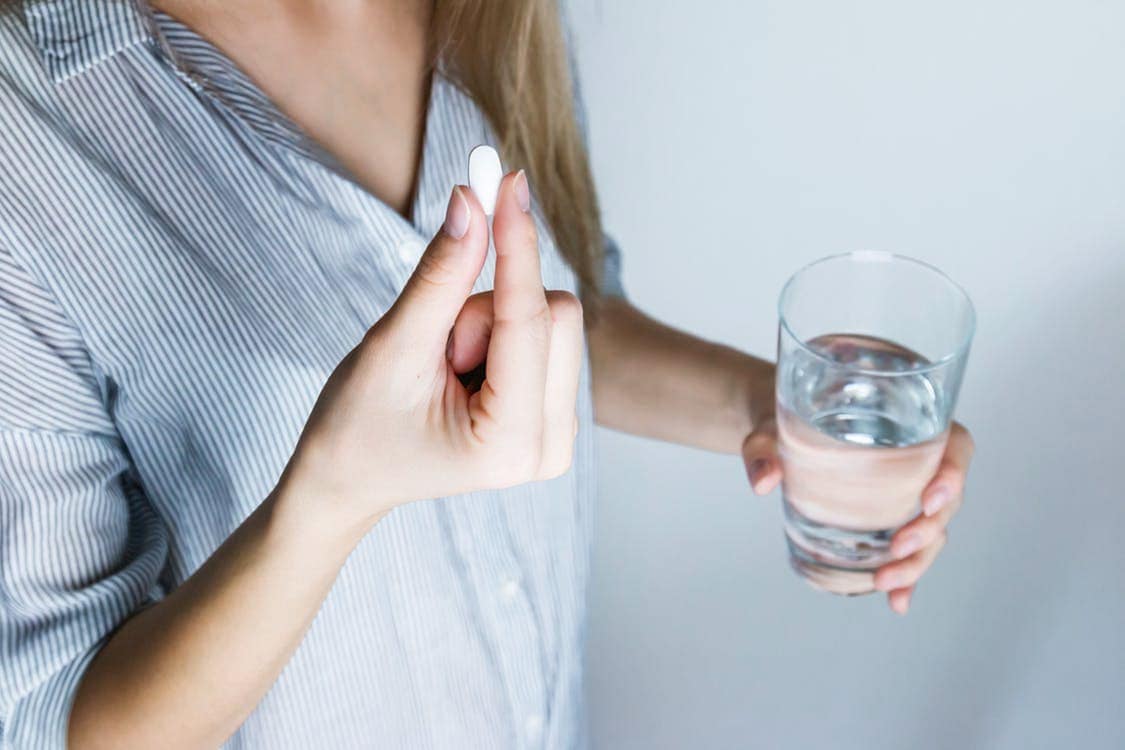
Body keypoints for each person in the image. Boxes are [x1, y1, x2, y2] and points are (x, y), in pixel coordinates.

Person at [0, 1, 975, 748]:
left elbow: (555, 316)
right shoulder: (30, 127)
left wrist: (771, 412)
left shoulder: (496, 17)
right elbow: (62, 719)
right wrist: (334, 495)